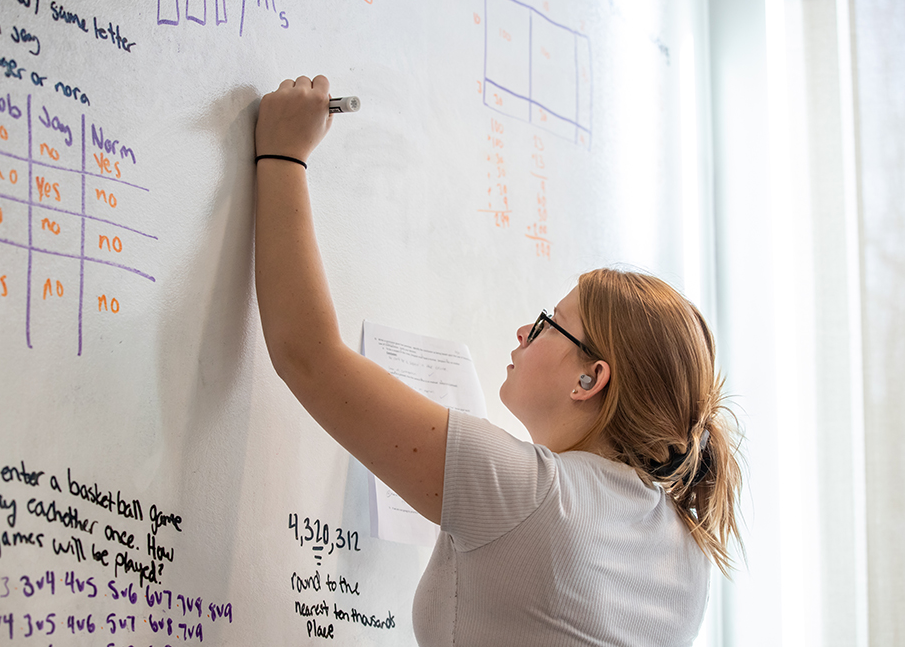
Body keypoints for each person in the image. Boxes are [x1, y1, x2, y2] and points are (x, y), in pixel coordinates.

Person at [254, 75, 743, 647]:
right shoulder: (688, 554)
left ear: (591, 378)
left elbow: (308, 356)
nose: (521, 331)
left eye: (545, 324)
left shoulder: (528, 492)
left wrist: (284, 152)